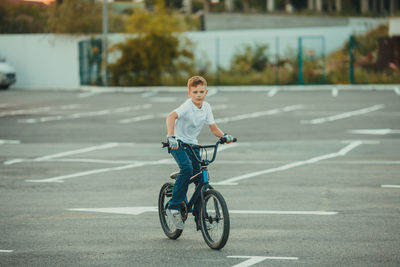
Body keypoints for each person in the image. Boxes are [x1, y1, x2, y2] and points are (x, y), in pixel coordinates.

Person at [165, 76, 234, 230]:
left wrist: (224, 137)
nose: (198, 94)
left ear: (206, 92)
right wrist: (171, 137)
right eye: (195, 91)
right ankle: (173, 207)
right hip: (178, 144)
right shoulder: (187, 106)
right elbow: (171, 116)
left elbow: (213, 128)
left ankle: (200, 217)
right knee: (187, 169)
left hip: (193, 145)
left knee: (201, 179)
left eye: (201, 91)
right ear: (189, 93)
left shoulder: (206, 107)